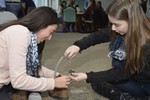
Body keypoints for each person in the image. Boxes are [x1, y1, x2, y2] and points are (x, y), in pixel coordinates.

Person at [64, 0, 150, 99]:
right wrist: (78, 46)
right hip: (132, 80)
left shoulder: (146, 43)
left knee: (96, 78)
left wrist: (87, 76)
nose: (113, 28)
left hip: (146, 83)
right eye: (111, 24)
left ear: (132, 21)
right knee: (96, 82)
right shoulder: (121, 31)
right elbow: (99, 36)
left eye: (117, 25)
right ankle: (124, 97)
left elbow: (121, 73)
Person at [0, 7, 71, 100]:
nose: (50, 38)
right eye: (51, 32)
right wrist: (54, 83)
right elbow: (19, 80)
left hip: (7, 81)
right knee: (34, 84)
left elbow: (33, 68)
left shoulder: (26, 35)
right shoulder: (20, 33)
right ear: (41, 24)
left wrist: (55, 75)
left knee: (35, 82)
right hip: (7, 82)